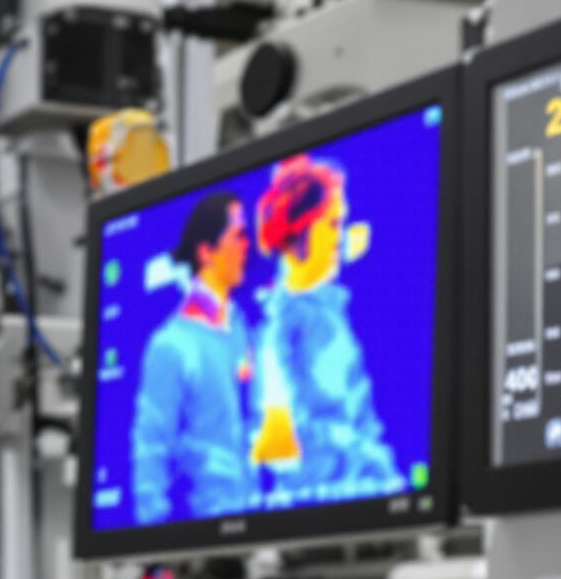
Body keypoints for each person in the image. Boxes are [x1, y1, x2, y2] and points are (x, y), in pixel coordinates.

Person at [251, 154, 402, 503]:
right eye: (332, 225)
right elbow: (281, 443)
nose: (340, 238)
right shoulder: (278, 327)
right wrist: (363, 453)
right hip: (312, 502)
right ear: (300, 229)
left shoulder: (334, 310)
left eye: (341, 224)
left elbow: (361, 414)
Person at [129, 190, 257, 526]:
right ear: (206, 251)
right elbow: (150, 450)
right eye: (239, 236)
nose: (247, 246)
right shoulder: (171, 345)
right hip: (204, 526)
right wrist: (154, 544)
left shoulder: (240, 326)